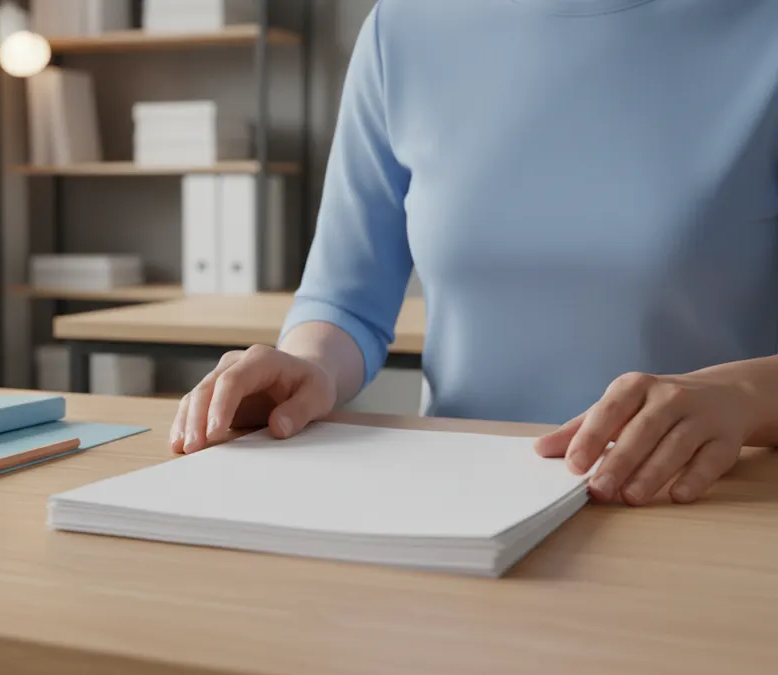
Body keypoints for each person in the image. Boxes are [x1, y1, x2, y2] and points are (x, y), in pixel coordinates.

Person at [170, 0, 778, 506]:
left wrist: (748, 397)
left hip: (702, 505)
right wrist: (308, 368)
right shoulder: (403, 30)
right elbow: (345, 302)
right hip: (464, 510)